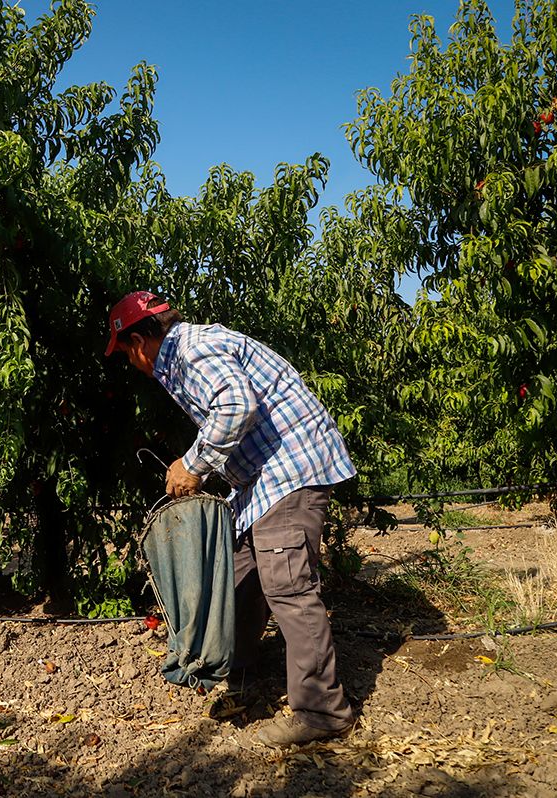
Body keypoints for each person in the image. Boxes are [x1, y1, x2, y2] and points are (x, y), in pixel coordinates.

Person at [105, 290, 357, 747]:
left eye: (126, 354)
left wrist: (193, 464)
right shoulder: (185, 356)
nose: (131, 364)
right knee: (239, 578)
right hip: (263, 483)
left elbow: (237, 405)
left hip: (291, 470)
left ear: (139, 342)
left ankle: (323, 712)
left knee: (287, 587)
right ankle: (240, 678)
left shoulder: (192, 350)